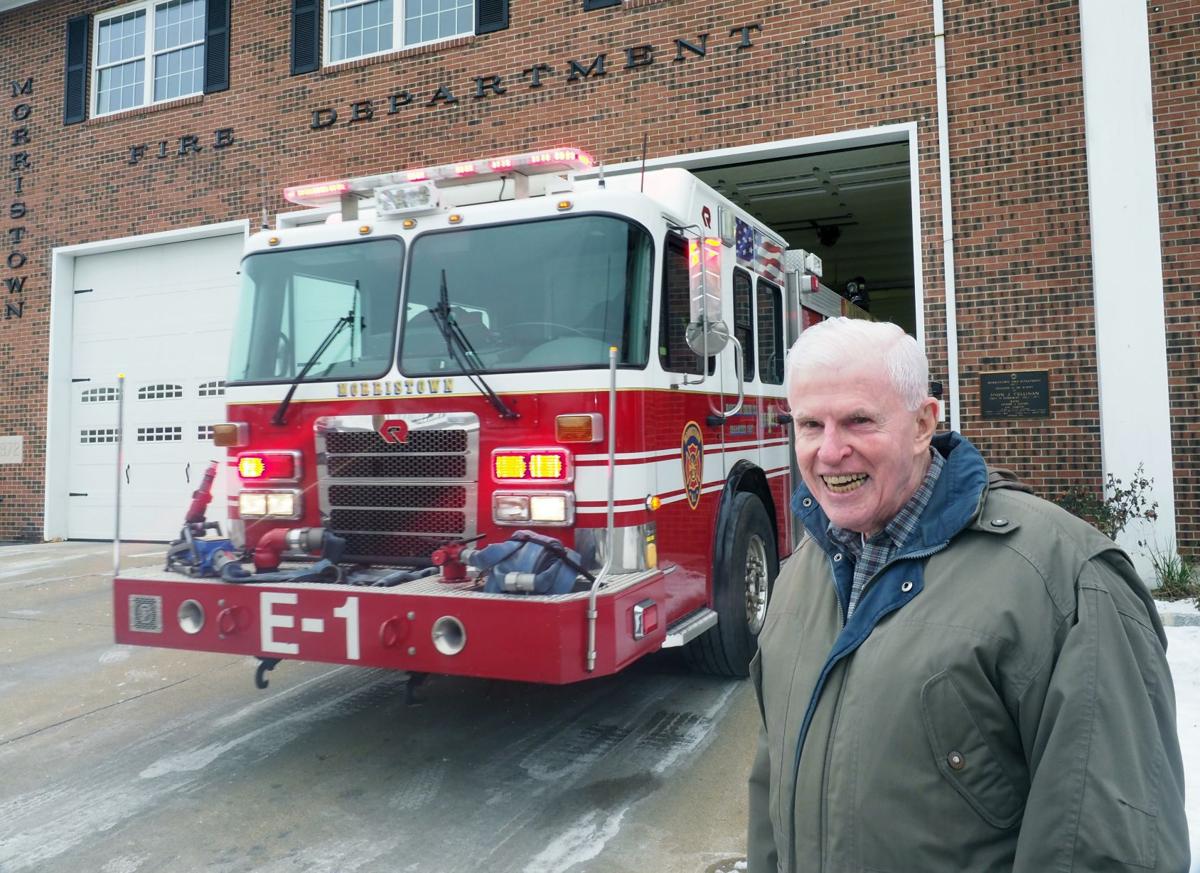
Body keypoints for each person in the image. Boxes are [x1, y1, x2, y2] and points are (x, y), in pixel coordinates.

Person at [747, 317, 1189, 872]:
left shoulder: (1067, 582)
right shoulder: (798, 578)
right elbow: (771, 792)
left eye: (859, 420)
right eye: (810, 424)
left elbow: (1110, 846)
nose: (830, 451)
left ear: (922, 424)